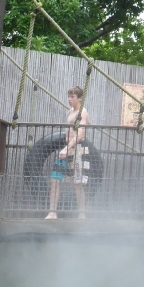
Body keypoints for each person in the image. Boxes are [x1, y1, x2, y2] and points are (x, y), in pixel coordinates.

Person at [46, 86, 90, 219]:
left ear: (80, 99)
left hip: (78, 150)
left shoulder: (83, 113)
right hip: (66, 150)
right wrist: (65, 148)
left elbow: (81, 134)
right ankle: (52, 212)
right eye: (69, 96)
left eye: (72, 97)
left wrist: (67, 148)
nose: (69, 99)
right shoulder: (70, 111)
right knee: (55, 180)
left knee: (77, 184)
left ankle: (82, 214)